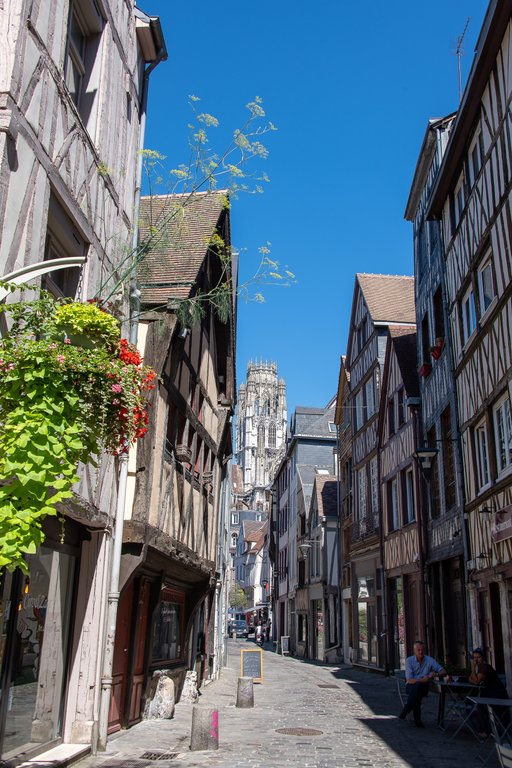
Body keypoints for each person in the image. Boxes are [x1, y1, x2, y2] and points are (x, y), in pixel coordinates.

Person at [398, 640, 447, 727]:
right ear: (414, 651)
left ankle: (407, 709)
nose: (421, 652)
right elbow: (409, 680)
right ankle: (417, 720)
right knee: (417, 689)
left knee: (418, 688)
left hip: (424, 687)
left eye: (422, 650)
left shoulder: (430, 660)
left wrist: (435, 674)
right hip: (411, 687)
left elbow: (443, 671)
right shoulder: (409, 661)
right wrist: (422, 680)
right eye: (418, 650)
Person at [468, 647, 508, 737]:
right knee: (474, 704)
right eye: (474, 657)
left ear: (483, 658)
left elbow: (476, 681)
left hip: (496, 695)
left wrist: (473, 669)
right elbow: (471, 679)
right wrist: (474, 677)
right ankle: (485, 729)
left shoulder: (485, 668)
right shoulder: (479, 668)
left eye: (478, 657)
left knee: (477, 707)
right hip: (489, 694)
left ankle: (486, 730)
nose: (476, 660)